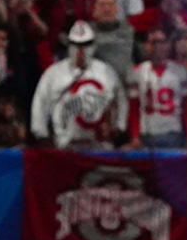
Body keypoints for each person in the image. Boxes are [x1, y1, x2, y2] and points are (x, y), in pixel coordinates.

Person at [31, 20, 125, 149]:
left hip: (101, 146)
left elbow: (121, 99)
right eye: (76, 44)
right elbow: (40, 102)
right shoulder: (54, 73)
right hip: (65, 146)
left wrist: (119, 126)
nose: (81, 49)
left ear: (93, 44)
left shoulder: (106, 71)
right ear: (69, 45)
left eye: (86, 44)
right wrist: (41, 134)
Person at [126, 27, 187, 149]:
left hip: (173, 132)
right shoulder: (136, 72)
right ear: (146, 46)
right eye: (154, 42)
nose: (158, 46)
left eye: (162, 42)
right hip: (147, 133)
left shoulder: (181, 72)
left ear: (168, 45)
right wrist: (135, 136)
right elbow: (134, 108)